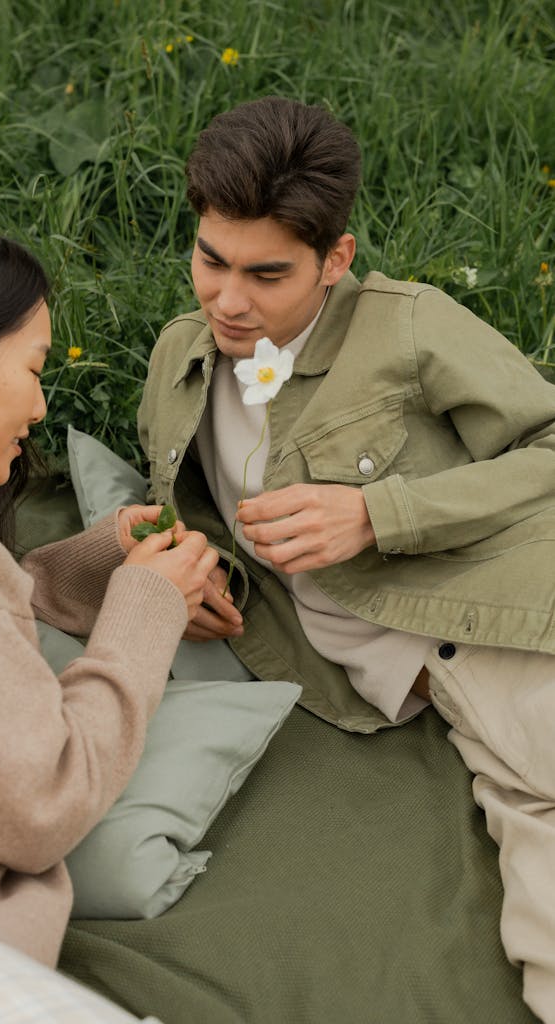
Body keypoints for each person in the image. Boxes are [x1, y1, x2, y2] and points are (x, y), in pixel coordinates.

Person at [137, 96, 555, 1021]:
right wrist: (193, 565)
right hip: (438, 700)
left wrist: (378, 513)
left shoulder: (406, 327)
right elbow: (189, 500)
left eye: (266, 273)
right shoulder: (178, 362)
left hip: (505, 630)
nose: (227, 299)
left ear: (335, 260)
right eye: (210, 258)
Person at [0, 215, 217, 1012]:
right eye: (32, 368)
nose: (38, 403)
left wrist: (94, 570)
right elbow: (39, 800)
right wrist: (146, 609)